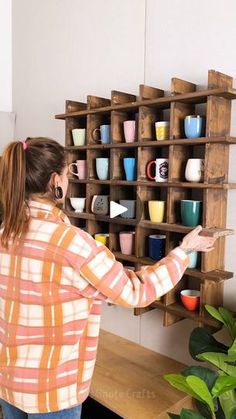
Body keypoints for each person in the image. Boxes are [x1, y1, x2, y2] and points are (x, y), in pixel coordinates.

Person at [0, 138, 216, 418]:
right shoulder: (71, 243)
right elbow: (134, 292)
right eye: (68, 174)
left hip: (9, 381)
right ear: (56, 181)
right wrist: (183, 251)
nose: (69, 181)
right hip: (53, 390)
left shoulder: (5, 233)